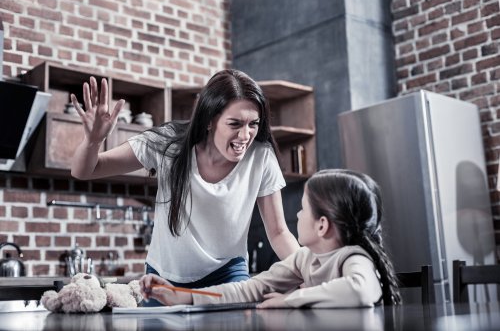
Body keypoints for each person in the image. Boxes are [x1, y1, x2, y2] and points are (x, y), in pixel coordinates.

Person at [70, 69, 300, 306]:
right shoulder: (168, 143)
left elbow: (279, 232)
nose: (245, 135)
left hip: (228, 278)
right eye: (235, 124)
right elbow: (85, 170)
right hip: (162, 281)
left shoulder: (261, 156)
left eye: (254, 124)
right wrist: (93, 140)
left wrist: (307, 272)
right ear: (210, 120)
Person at [140, 169, 402, 308]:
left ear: (322, 225)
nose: (297, 214)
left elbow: (361, 291)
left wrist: (290, 300)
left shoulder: (353, 257)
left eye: (303, 208)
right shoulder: (304, 259)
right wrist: (183, 295)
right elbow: (247, 289)